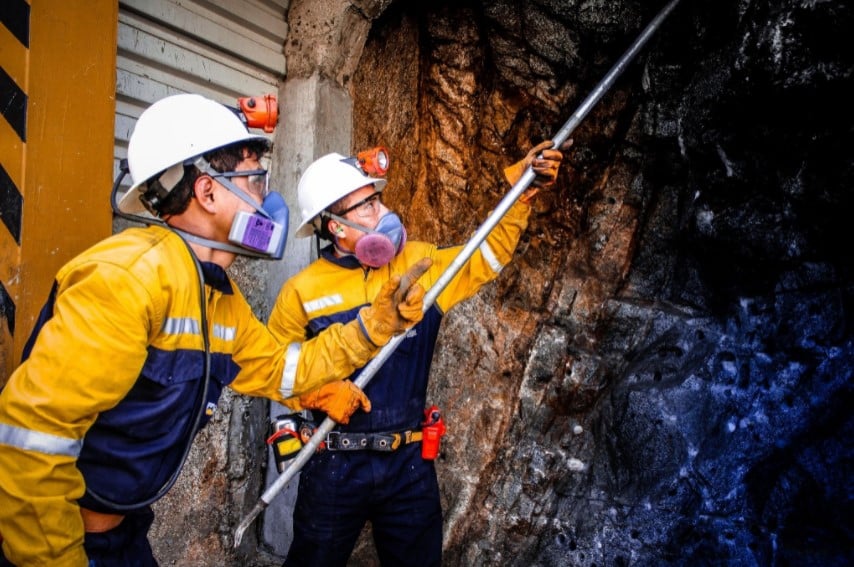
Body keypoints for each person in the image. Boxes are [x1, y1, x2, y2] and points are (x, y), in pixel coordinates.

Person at [0, 93, 429, 567]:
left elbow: (289, 370)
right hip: (58, 547)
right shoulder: (126, 281)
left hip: (123, 534)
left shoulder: (218, 298)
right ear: (207, 192)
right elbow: (31, 446)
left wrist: (372, 328)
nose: (268, 198)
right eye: (255, 179)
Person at [267, 139, 571, 566]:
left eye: (378, 199)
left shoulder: (420, 261)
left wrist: (520, 192)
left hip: (408, 463)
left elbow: (483, 257)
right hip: (334, 462)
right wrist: (312, 396)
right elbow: (274, 370)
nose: (383, 212)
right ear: (335, 226)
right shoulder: (301, 292)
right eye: (367, 206)